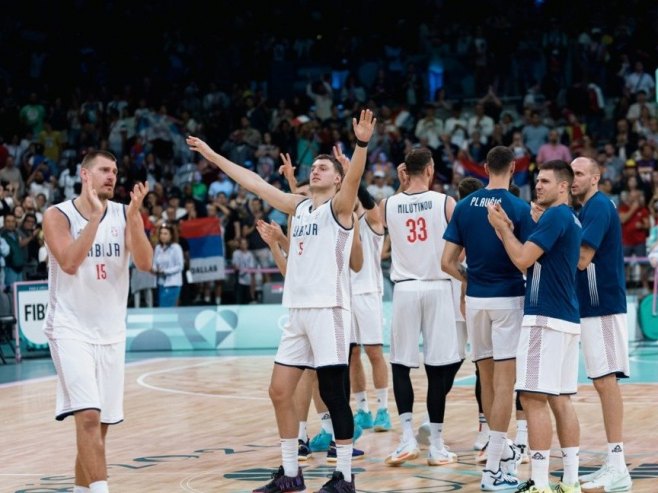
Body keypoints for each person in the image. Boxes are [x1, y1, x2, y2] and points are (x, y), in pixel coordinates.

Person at [186, 108, 375, 493]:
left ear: (337, 180)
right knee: (279, 390)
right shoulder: (299, 207)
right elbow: (255, 183)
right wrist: (212, 155)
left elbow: (354, 177)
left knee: (333, 395)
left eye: (324, 168)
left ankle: (344, 477)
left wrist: (361, 145)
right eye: (315, 167)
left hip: (329, 311)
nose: (316, 171)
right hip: (298, 313)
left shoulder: (340, 209)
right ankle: (292, 474)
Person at [42, 150, 153, 493]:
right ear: (85, 175)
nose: (112, 176)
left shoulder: (125, 212)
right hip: (69, 328)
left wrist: (134, 218)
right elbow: (70, 262)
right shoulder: (56, 215)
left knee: (97, 429)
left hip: (111, 333)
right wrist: (95, 219)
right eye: (104, 170)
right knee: (88, 417)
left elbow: (146, 264)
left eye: (115, 171)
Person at [486, 159, 582, 493]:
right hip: (567, 319)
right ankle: (570, 481)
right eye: (536, 180)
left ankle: (540, 483)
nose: (537, 185)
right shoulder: (567, 218)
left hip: (544, 317)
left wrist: (502, 229)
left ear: (563, 186)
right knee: (562, 399)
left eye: (545, 181)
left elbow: (523, 260)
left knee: (533, 398)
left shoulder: (556, 215)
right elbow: (538, 264)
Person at [442, 146, 534, 490]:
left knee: (487, 379)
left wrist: (470, 280)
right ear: (513, 168)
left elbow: (447, 262)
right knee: (504, 387)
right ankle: (493, 467)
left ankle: (495, 454)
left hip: (476, 301)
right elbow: (525, 257)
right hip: (509, 298)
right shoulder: (519, 207)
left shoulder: (464, 206)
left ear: (483, 168)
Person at [379, 147, 463, 468]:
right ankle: (437, 445)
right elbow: (463, 244)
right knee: (438, 368)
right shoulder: (445, 202)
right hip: (439, 286)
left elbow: (376, 218)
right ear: (430, 170)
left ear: (405, 171)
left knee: (401, 364)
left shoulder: (388, 204)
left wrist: (400, 188)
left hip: (404, 289)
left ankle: (406, 438)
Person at [570, 157, 633, 492]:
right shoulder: (587, 209)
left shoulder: (597, 207)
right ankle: (613, 461)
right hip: (592, 308)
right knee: (601, 381)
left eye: (579, 173)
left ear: (596, 177)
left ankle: (619, 465)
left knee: (607, 382)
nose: (574, 177)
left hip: (603, 306)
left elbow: (581, 259)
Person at [350, 185, 391, 433]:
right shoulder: (340, 221)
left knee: (374, 353)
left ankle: (383, 410)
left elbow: (372, 207)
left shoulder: (371, 221)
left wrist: (352, 178)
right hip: (345, 294)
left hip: (368, 293)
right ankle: (362, 409)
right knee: (351, 355)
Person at [152, 223, 185, 307]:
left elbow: (180, 266)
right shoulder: (158, 248)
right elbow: (155, 263)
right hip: (161, 283)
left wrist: (165, 271)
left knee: (170, 310)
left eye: (165, 234)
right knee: (162, 309)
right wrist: (155, 269)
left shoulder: (176, 248)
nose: (162, 236)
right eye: (161, 233)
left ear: (171, 235)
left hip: (173, 283)